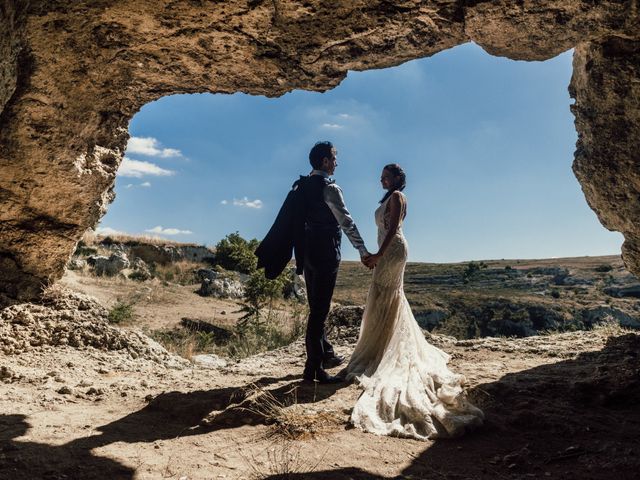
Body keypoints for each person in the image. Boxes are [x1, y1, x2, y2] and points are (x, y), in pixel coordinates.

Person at [346, 164, 484, 439]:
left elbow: (393, 229)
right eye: (381, 174)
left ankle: (384, 348)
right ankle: (381, 345)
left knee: (387, 295)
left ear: (398, 178)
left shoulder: (396, 196)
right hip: (387, 250)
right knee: (385, 296)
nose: (382, 178)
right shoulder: (388, 197)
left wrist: (377, 255)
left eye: (387, 174)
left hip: (392, 250)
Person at [301, 141, 370, 384]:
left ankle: (326, 353)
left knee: (315, 307)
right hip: (326, 252)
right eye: (334, 158)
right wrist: (362, 249)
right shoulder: (331, 189)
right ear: (325, 162)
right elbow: (347, 222)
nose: (336, 163)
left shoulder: (302, 185)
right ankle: (314, 368)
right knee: (320, 311)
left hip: (306, 253)